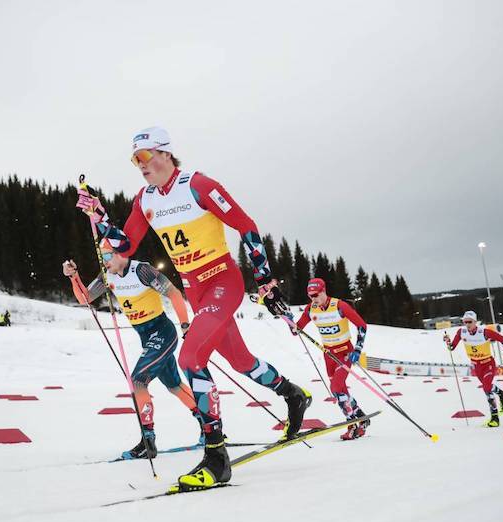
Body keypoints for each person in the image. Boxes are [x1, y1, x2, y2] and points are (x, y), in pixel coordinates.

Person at [76, 126, 311, 490]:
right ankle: (293, 394)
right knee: (241, 360)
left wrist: (264, 278)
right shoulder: (145, 199)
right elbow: (123, 246)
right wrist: (99, 214)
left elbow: (246, 227)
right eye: (134, 159)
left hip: (222, 280)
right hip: (196, 291)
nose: (139, 164)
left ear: (167, 154)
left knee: (191, 360)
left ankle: (216, 457)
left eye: (145, 155)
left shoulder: (199, 186)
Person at [63, 242, 202, 458]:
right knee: (174, 385)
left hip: (163, 332)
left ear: (120, 254)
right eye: (101, 257)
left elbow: (174, 294)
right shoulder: (107, 275)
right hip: (147, 337)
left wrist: (185, 325)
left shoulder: (142, 270)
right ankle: (210, 425)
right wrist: (74, 277)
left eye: (107, 256)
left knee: (138, 380)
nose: (104, 261)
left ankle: (148, 440)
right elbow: (85, 298)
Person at [295, 278, 370, 440]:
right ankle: (361, 418)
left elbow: (362, 325)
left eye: (316, 295)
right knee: (339, 390)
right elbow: (297, 328)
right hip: (328, 354)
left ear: (323, 291)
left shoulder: (340, 306)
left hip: (345, 353)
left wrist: (357, 349)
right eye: (310, 296)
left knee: (336, 387)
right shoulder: (311, 309)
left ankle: (352, 425)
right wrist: (290, 322)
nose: (313, 298)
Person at [444, 311, 503, 427]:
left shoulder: (484, 332)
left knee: (486, 387)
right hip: (476, 366)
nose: (467, 324)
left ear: (475, 322)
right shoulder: (461, 332)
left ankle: (495, 418)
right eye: (465, 322)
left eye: (470, 322)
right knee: (487, 386)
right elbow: (452, 347)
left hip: (488, 364)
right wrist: (447, 341)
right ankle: (502, 394)